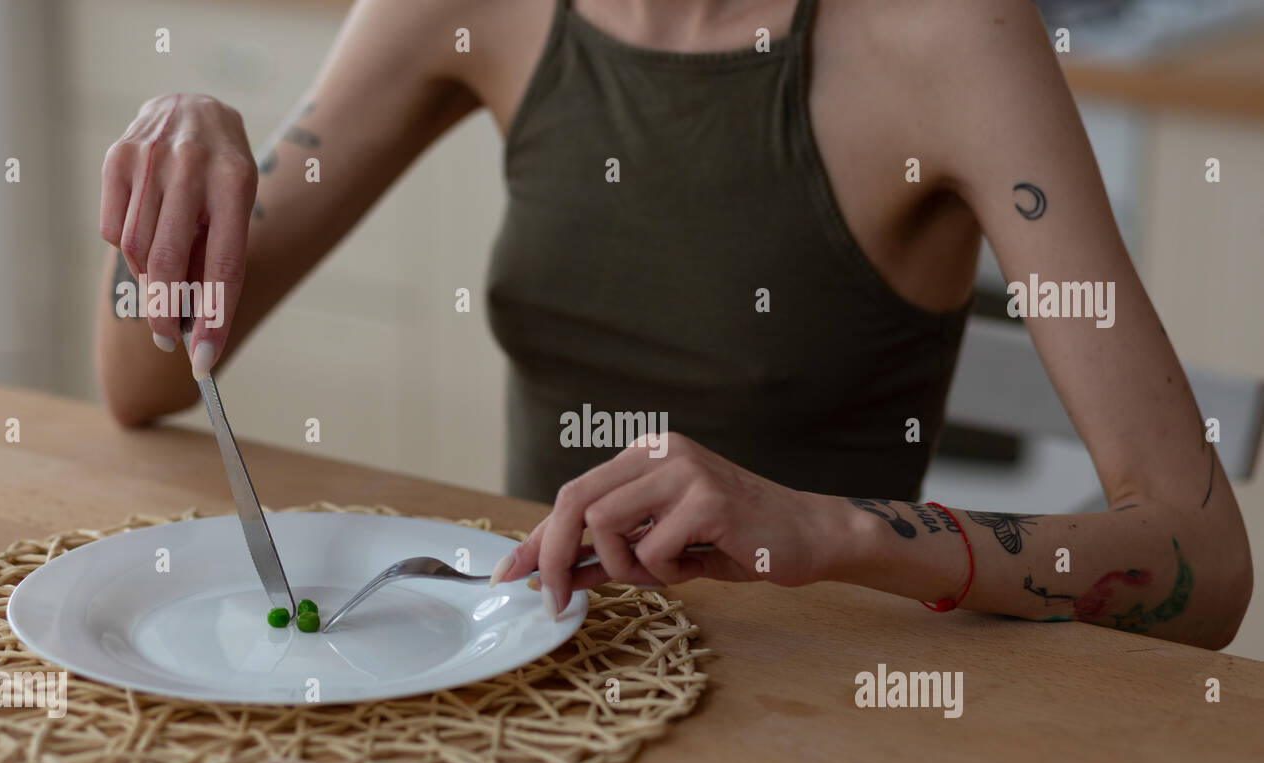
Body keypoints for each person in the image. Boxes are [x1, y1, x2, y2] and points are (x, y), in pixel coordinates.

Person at [95, 0, 1252, 648]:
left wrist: (829, 529)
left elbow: (1202, 568)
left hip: (837, 733)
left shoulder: (950, 38)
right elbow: (136, 380)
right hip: (525, 695)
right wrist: (186, 148)